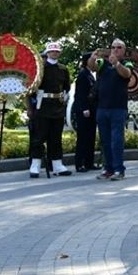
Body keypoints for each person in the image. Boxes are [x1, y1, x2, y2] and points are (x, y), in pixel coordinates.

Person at [29, 42, 71, 178]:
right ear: (47, 53)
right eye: (52, 51)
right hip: (43, 106)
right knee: (39, 137)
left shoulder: (63, 69)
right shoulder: (40, 68)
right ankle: (35, 164)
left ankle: (57, 164)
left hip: (57, 106)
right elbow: (31, 87)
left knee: (56, 138)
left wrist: (64, 97)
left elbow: (66, 87)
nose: (54, 53)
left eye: (57, 51)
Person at [94, 41, 133, 180]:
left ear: (124, 50)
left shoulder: (127, 63)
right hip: (102, 107)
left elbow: (127, 74)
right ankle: (108, 168)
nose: (115, 50)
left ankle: (118, 169)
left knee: (116, 140)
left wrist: (116, 64)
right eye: (113, 47)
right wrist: (93, 58)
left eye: (119, 48)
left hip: (118, 108)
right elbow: (93, 67)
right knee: (105, 140)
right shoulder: (103, 63)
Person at [71, 52, 98, 172]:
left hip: (92, 110)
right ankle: (80, 163)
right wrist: (84, 108)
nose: (95, 61)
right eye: (93, 59)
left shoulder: (90, 74)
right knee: (83, 137)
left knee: (90, 137)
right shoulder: (83, 75)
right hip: (84, 110)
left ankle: (89, 162)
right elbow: (80, 94)